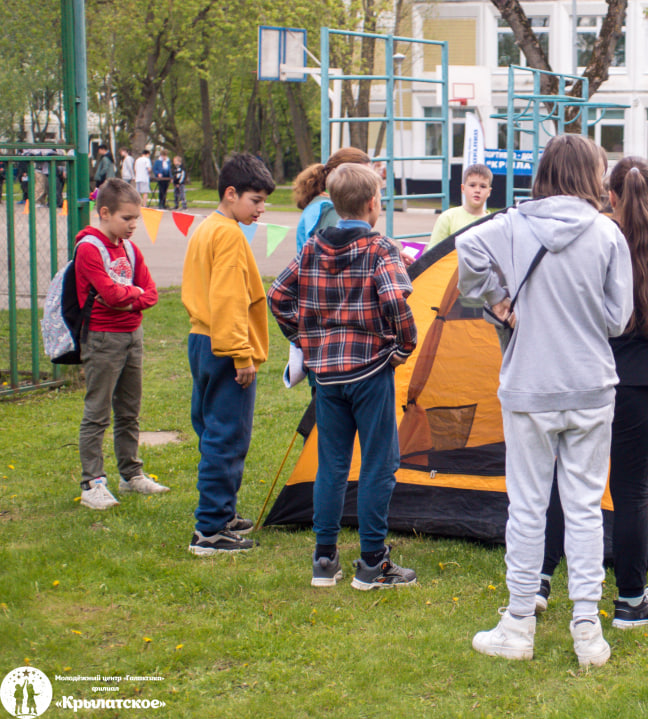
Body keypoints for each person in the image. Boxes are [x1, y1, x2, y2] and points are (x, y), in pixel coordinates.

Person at [458, 134, 632, 667]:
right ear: (590, 176)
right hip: (590, 385)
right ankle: (586, 629)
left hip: (530, 386)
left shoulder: (510, 226)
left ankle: (518, 622)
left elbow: (466, 250)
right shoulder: (607, 233)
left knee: (528, 507)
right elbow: (617, 319)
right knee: (582, 508)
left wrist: (499, 301)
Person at [540, 156, 648, 627]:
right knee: (632, 492)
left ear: (610, 197)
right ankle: (631, 601)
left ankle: (538, 579)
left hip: (584, 379)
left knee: (570, 482)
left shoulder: (590, 244)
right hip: (636, 387)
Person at [268, 163, 418, 589]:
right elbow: (395, 301)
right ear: (373, 203)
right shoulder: (380, 247)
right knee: (378, 463)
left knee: (331, 464)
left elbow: (278, 296)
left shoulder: (313, 246)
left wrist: (304, 338)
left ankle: (324, 559)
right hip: (370, 370)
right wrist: (402, 348)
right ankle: (372, 562)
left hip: (326, 376)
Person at [182, 153, 276, 555]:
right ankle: (211, 530)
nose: (261, 209)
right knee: (227, 435)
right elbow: (228, 298)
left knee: (211, 428)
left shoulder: (208, 228)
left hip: (201, 340)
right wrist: (241, 354)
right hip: (224, 344)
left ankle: (223, 511)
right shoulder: (230, 235)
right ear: (231, 193)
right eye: (255, 200)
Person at [75, 178, 167, 510]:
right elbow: (111, 295)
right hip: (102, 338)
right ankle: (92, 483)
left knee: (129, 411)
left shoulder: (130, 248)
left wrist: (133, 298)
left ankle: (131, 475)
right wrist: (133, 296)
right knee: (97, 412)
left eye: (136, 219)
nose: (132, 226)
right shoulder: (89, 248)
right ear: (104, 212)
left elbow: (151, 293)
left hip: (133, 334)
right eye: (126, 218)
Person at [292, 147, 375, 254]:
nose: (369, 183)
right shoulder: (330, 210)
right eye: (363, 176)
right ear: (340, 175)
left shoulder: (323, 203)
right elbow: (335, 255)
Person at [430, 164, 493, 247]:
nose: (477, 190)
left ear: (489, 192)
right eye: (472, 185)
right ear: (463, 188)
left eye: (483, 186)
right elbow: (433, 255)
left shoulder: (493, 223)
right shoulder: (448, 218)